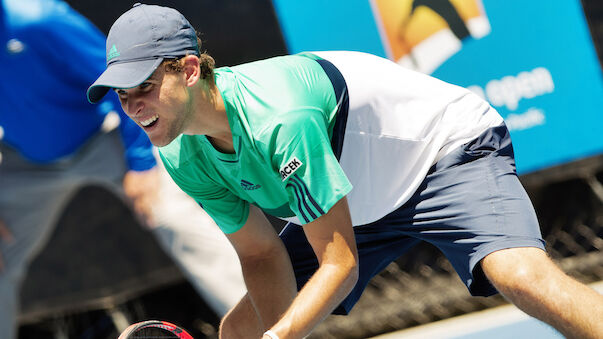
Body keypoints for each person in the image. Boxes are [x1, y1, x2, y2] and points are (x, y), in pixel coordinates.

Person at [87, 4, 603, 339]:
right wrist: (274, 332)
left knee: (520, 277)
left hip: (440, 151)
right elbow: (261, 254)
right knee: (238, 332)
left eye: (146, 86)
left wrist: (283, 335)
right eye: (123, 93)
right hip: (355, 188)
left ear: (191, 69)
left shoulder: (280, 120)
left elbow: (339, 263)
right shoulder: (180, 150)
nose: (133, 105)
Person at [0, 1, 246, 338]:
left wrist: (141, 162)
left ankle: (269, 329)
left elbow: (123, 80)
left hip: (108, 136)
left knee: (172, 215)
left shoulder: (40, 20)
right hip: (23, 160)